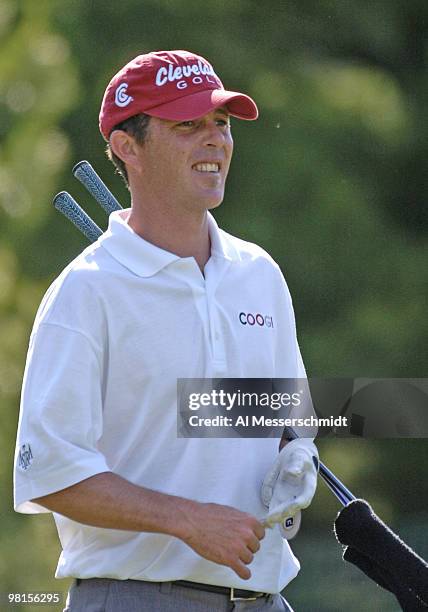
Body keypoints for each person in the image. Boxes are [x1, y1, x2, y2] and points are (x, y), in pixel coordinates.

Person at [14, 50, 318, 611]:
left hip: (262, 598)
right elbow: (50, 471)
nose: (215, 141)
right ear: (128, 148)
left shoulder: (260, 276)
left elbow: (281, 418)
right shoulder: (86, 292)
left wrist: (296, 451)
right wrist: (187, 520)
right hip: (136, 597)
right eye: (188, 125)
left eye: (221, 124)